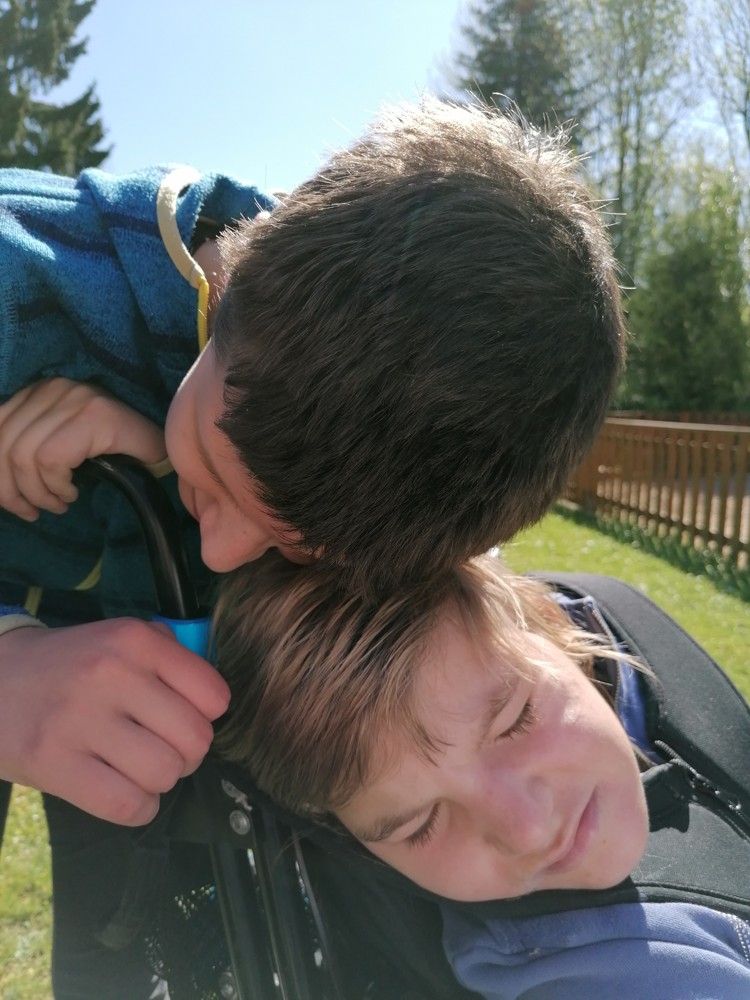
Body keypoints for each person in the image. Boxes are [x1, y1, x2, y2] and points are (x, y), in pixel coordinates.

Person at [0, 96, 625, 996]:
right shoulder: (23, 281)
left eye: (300, 549)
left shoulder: (416, 454)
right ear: (229, 292)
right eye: (216, 466)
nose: (222, 554)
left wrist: (171, 456)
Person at [212, 552, 750, 999]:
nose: (529, 831)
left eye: (517, 721)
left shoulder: (602, 612)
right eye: (420, 825)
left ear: (549, 619)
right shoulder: (618, 973)